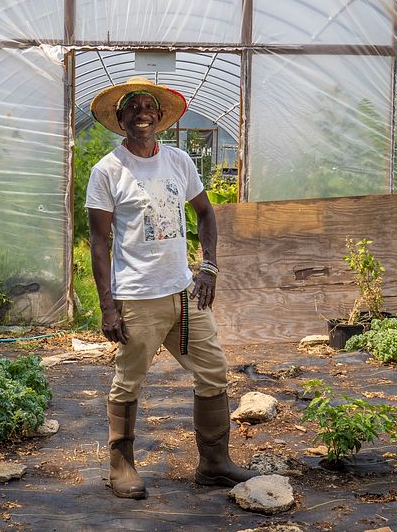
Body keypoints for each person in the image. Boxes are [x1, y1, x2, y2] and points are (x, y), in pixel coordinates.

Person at [85, 76, 255, 500]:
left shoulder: (178, 161)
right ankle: (120, 465)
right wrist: (108, 307)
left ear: (159, 118)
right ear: (120, 119)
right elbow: (100, 243)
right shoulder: (107, 170)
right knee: (129, 381)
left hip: (184, 293)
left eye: (149, 107)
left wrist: (208, 267)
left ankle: (214, 464)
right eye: (133, 107)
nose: (142, 113)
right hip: (138, 298)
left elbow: (205, 213)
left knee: (214, 370)